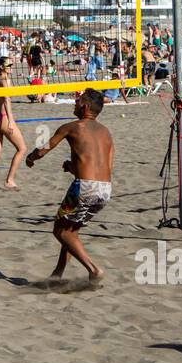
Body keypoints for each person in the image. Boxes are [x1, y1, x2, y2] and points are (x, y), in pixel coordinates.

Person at [25, 88, 113, 281]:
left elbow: (42, 150)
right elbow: (103, 167)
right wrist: (73, 167)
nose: (75, 102)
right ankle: (57, 274)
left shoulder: (72, 127)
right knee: (71, 231)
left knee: (60, 230)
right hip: (105, 190)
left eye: (78, 100)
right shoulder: (106, 132)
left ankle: (93, 269)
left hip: (84, 188)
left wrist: (30, 158)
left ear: (86, 106)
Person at [0, 57, 25, 190]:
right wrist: (11, 121)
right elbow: (7, 100)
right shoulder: (4, 79)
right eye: (9, 65)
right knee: (22, 149)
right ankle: (10, 180)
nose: (12, 66)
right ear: (2, 67)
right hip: (3, 118)